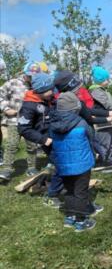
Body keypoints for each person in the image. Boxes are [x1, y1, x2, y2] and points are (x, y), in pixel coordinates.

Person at [50, 92, 99, 232]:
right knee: (81, 192)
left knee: (69, 190)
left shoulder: (53, 124)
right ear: (75, 109)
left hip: (63, 165)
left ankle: (69, 217)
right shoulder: (82, 122)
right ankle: (81, 221)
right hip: (82, 165)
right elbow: (91, 139)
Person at [18, 73, 64, 208]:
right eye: (50, 89)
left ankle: (61, 184)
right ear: (41, 90)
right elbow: (24, 129)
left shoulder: (49, 100)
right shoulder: (29, 106)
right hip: (47, 140)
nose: (53, 91)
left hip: (58, 138)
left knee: (63, 163)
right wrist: (43, 140)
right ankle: (51, 196)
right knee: (61, 165)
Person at [0, 62, 40, 180]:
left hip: (30, 122)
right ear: (24, 73)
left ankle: (32, 167)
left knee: (32, 145)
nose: (32, 78)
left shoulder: (36, 86)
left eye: (34, 76)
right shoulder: (13, 83)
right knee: (12, 144)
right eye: (30, 76)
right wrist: (6, 108)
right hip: (14, 121)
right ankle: (6, 170)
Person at [88, 66, 112, 169]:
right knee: (104, 140)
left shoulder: (103, 90)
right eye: (106, 79)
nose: (108, 81)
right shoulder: (96, 91)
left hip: (109, 119)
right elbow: (107, 105)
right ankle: (102, 161)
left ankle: (107, 158)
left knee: (111, 139)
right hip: (102, 120)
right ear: (100, 80)